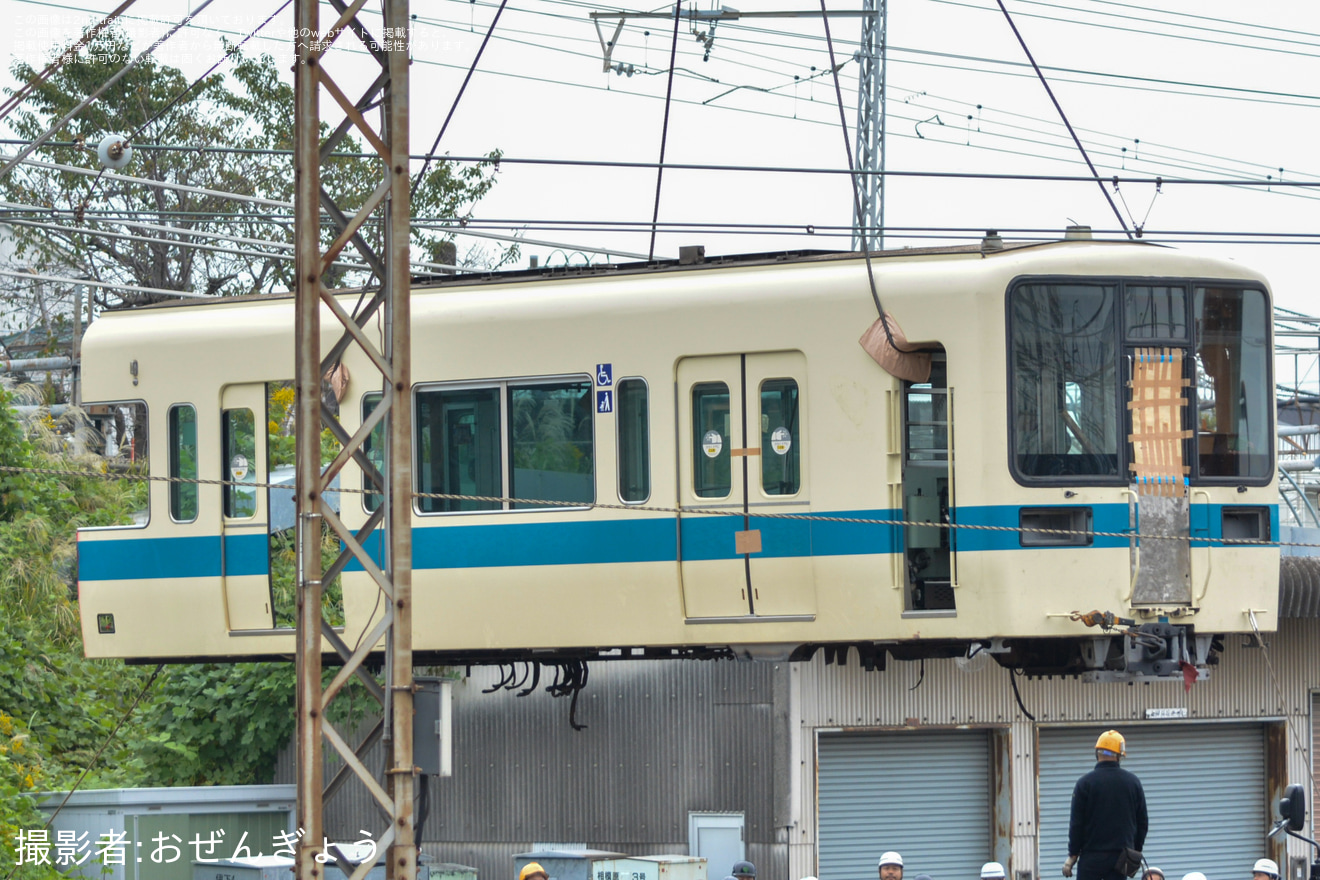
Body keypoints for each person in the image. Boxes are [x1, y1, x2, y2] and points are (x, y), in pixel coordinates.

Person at [1062, 730, 1148, 880]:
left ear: (1097, 753)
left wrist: (1072, 856)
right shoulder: (1133, 783)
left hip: (1091, 859)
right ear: (1119, 756)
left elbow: (1076, 824)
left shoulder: (1084, 784)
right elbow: (1143, 822)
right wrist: (1134, 851)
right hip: (1121, 859)